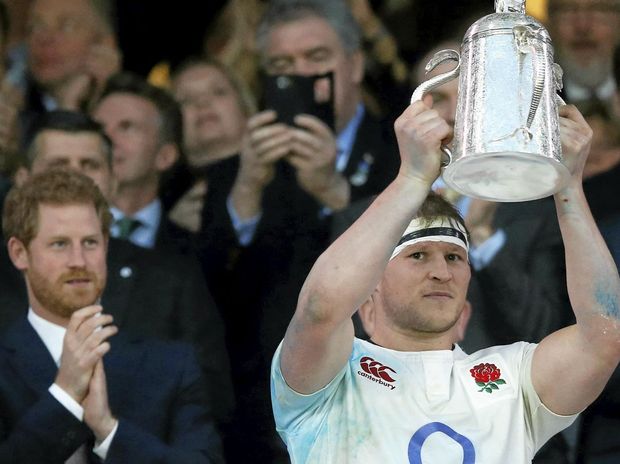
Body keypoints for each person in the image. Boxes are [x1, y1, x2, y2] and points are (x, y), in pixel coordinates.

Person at [271, 97, 620, 462]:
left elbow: (603, 335)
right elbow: (319, 307)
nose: (441, 272)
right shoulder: (333, 375)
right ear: (366, 299)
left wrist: (567, 185)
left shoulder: (514, 379)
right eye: (417, 255)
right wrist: (412, 179)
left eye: (454, 257)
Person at [0, 109, 234, 429]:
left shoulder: (172, 278)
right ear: (23, 179)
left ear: (112, 179)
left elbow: (210, 404)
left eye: (90, 165)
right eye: (58, 165)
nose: (76, 177)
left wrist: (113, 435)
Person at [92, 72, 196, 255]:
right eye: (98, 129)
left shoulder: (195, 252)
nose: (106, 139)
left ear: (165, 156)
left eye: (126, 127)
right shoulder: (56, 234)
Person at [548, 0, 620, 112]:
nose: (582, 26)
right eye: (567, 10)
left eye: (599, 9)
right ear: (550, 22)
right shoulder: (530, 96)